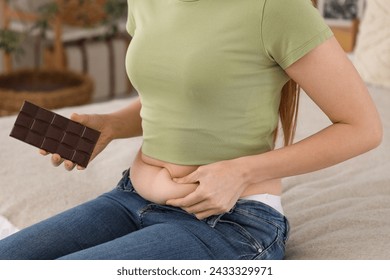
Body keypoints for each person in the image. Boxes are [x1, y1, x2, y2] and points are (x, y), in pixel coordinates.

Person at [0, 0, 382, 260]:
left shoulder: (276, 7)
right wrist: (111, 125)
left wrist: (242, 170)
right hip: (131, 197)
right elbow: (179, 95)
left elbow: (362, 127)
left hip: (231, 222)